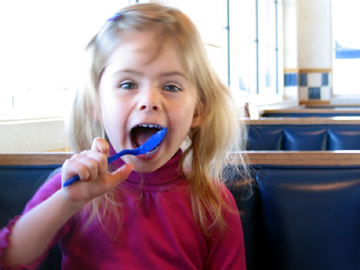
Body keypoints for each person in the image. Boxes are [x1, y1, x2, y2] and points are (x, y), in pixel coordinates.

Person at [0, 3, 249, 269]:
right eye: (128, 84)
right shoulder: (75, 186)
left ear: (199, 110)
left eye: (171, 86)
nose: (149, 100)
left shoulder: (214, 203)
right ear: (96, 105)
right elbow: (10, 260)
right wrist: (66, 202)